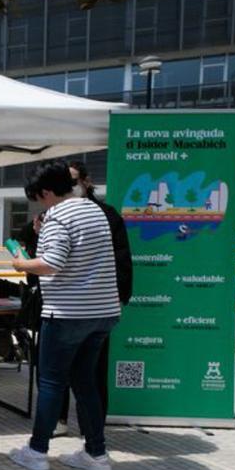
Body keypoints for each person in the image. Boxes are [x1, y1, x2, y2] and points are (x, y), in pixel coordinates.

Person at [10, 161, 120, 470]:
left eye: (38, 197)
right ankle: (96, 454)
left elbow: (52, 264)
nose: (39, 204)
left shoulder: (57, 216)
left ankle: (37, 451)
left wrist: (22, 263)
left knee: (51, 383)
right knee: (85, 382)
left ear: (46, 192)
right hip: (103, 312)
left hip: (68, 314)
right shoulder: (93, 209)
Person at [70, 161, 133, 412]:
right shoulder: (53, 213)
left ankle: (93, 431)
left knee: (95, 369)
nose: (70, 188)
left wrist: (119, 295)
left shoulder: (107, 215)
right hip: (63, 307)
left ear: (86, 181)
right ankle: (58, 422)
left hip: (96, 306)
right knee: (57, 372)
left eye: (74, 181)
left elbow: (121, 257)